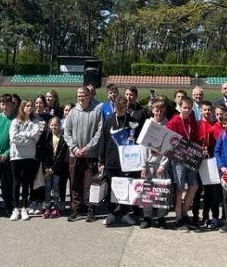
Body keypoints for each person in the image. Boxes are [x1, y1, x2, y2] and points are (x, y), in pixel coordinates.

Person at [98, 95, 144, 226]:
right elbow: (103, 141)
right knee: (111, 188)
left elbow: (138, 142)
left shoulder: (133, 122)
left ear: (126, 107)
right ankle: (112, 212)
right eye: (118, 109)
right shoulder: (109, 121)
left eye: (123, 108)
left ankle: (124, 212)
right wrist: (101, 161)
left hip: (127, 162)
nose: (120, 111)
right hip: (111, 160)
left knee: (126, 187)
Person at [64, 86, 104, 222]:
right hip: (74, 155)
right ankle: (76, 209)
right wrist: (74, 149)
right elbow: (66, 133)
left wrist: (87, 148)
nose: (81, 98)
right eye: (79, 95)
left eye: (84, 95)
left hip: (90, 155)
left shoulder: (96, 112)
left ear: (89, 96)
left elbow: (99, 133)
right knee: (75, 183)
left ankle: (90, 209)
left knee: (90, 184)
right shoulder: (72, 112)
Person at [165, 96, 203, 230]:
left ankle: (185, 213)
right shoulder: (174, 121)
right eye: (184, 107)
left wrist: (200, 149)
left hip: (191, 159)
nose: (187, 110)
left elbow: (196, 139)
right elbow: (166, 140)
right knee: (180, 188)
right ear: (180, 107)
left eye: (189, 108)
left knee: (194, 186)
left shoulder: (191, 121)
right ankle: (178, 217)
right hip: (178, 160)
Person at [139, 99, 171, 229]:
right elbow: (142, 147)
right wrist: (143, 166)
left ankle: (161, 217)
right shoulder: (147, 123)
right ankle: (147, 217)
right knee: (148, 192)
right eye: (156, 110)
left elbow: (168, 148)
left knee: (162, 192)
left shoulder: (167, 124)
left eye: (161, 110)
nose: (159, 112)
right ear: (152, 110)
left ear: (164, 110)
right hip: (149, 164)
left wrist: (163, 164)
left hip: (161, 166)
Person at [8, 100, 40, 221]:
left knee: (26, 182)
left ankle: (24, 208)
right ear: (22, 107)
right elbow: (13, 138)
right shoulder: (15, 122)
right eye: (27, 106)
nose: (29, 108)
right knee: (16, 182)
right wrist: (28, 137)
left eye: (31, 106)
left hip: (29, 155)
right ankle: (15, 208)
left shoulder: (35, 121)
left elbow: (36, 136)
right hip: (16, 155)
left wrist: (24, 136)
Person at [194, 100, 222, 229]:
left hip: (213, 161)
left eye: (209, 110)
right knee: (199, 190)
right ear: (201, 110)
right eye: (205, 110)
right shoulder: (197, 124)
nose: (207, 112)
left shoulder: (215, 125)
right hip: (199, 162)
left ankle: (215, 216)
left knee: (213, 191)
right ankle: (199, 217)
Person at [38, 117, 68, 218]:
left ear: (60, 126)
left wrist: (53, 168)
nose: (54, 127)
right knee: (47, 187)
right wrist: (47, 167)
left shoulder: (63, 138)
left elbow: (61, 155)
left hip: (57, 168)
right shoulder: (47, 136)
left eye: (56, 125)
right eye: (52, 125)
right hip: (47, 168)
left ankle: (56, 207)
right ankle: (47, 207)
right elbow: (44, 153)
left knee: (56, 187)